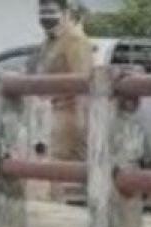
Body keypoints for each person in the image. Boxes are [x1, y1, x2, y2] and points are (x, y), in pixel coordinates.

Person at [37, 0, 94, 164]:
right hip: (50, 114)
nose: (46, 17)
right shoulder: (49, 42)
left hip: (70, 115)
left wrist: (83, 125)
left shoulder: (75, 41)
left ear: (65, 13)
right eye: (42, 13)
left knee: (63, 170)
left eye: (51, 12)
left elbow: (83, 81)